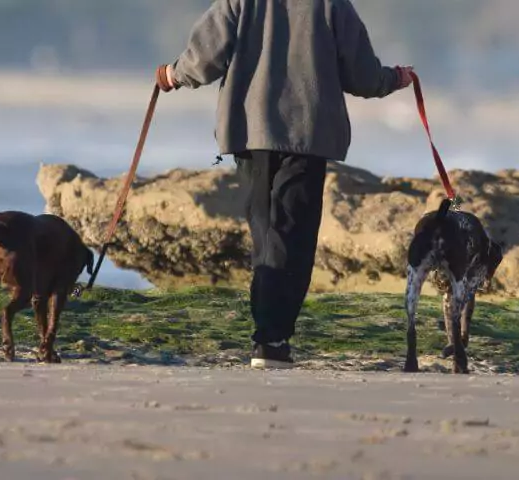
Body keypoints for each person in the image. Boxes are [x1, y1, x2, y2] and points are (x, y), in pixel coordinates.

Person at [155, 0, 414, 369]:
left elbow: (205, 55)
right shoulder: (331, 5)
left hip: (250, 131)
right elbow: (363, 76)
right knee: (291, 234)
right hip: (307, 136)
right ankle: (271, 339)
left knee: (265, 232)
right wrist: (396, 79)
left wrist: (172, 75)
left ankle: (268, 336)